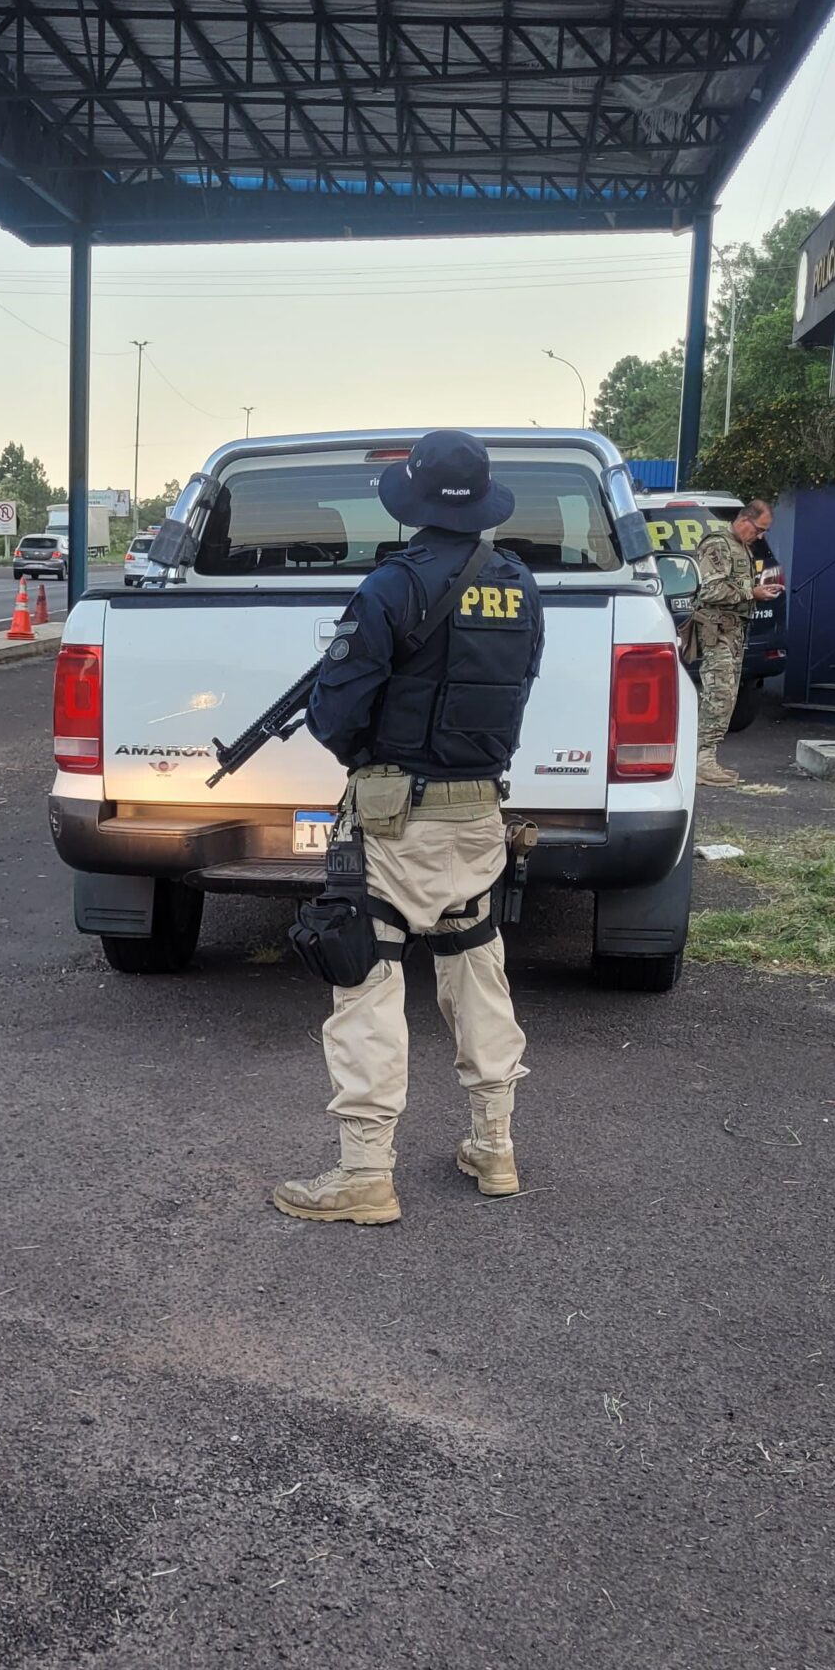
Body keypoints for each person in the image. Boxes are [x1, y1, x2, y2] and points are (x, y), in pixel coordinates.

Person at [273, 429, 543, 1227]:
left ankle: (364, 1174)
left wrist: (372, 762)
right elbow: (516, 690)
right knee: (477, 971)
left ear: (415, 501)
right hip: (480, 813)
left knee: (367, 978)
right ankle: (494, 1147)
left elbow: (338, 710)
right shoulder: (519, 585)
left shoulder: (392, 587)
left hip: (395, 820)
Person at [688, 498, 770, 786]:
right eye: (759, 529)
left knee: (727, 697)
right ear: (744, 520)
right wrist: (753, 592)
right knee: (718, 697)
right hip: (718, 632)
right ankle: (700, 761)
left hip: (733, 634)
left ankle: (705, 759)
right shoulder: (718, 544)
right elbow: (711, 589)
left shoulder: (741, 547)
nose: (760, 536)